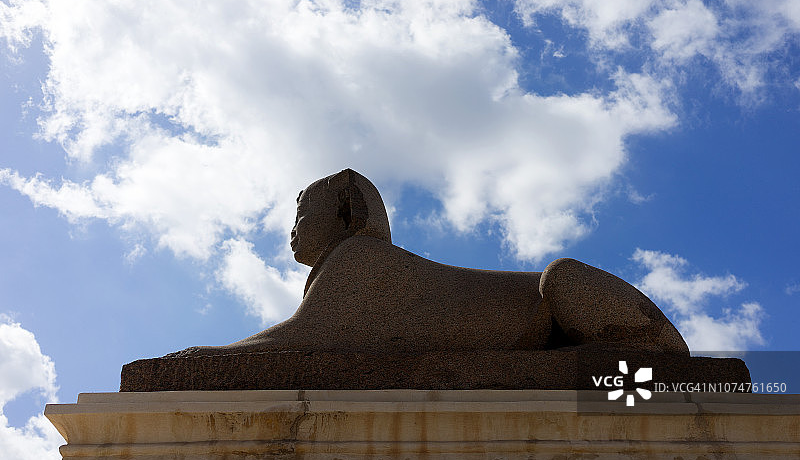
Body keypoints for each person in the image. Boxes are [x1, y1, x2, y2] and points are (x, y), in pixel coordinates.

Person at [172, 169, 688, 356]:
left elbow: (299, 342)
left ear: (348, 212)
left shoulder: (363, 263)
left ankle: (627, 347)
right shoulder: (345, 271)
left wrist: (201, 359)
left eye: (303, 214)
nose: (293, 231)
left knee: (562, 276)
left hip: (585, 328)